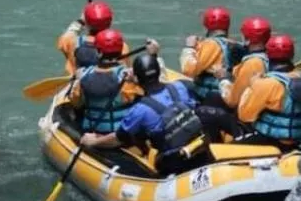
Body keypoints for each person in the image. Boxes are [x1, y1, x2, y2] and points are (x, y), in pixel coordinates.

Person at [83, 53, 213, 175]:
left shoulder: (140, 110)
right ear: (158, 72)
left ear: (137, 78)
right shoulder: (180, 87)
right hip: (200, 151)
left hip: (175, 163)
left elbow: (118, 139)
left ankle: (146, 153)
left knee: (139, 130)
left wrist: (93, 142)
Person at [235, 34, 301, 149]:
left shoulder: (267, 83)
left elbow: (244, 116)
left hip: (268, 140)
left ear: (268, 54)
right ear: (292, 55)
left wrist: (252, 85)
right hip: (297, 138)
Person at [65, 29, 139, 135]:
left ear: (98, 52)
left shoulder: (83, 75)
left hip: (92, 130)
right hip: (122, 132)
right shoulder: (128, 76)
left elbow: (76, 103)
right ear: (121, 50)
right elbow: (137, 96)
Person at [180, 7, 245, 102]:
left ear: (207, 26)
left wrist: (189, 48)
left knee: (180, 85)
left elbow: (189, 70)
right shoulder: (236, 44)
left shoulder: (211, 44)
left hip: (210, 96)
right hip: (229, 92)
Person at [220, 15, 272, 111]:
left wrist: (224, 79)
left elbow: (233, 102)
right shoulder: (272, 57)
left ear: (247, 39)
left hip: (249, 120)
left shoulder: (251, 64)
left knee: (211, 99)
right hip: (265, 108)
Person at [57, 0, 114, 73]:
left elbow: (69, 34)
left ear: (86, 23)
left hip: (79, 82)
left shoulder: (72, 43)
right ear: (110, 23)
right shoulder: (120, 47)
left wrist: (80, 22)